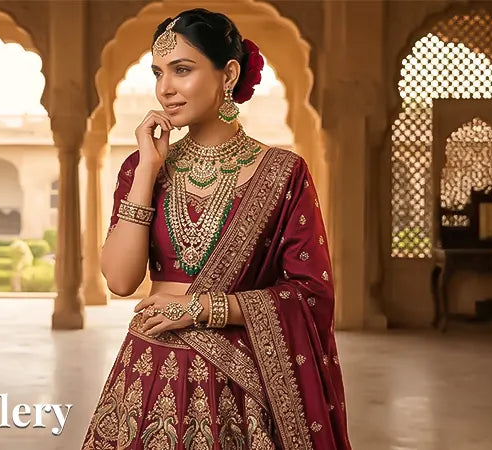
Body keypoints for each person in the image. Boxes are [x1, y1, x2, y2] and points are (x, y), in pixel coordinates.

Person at [81, 8, 351, 449]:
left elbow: (310, 294)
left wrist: (201, 309)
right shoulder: (142, 169)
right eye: (158, 72)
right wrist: (149, 169)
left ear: (228, 74)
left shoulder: (283, 173)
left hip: (239, 392)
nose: (165, 88)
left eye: (182, 70)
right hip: (146, 378)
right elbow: (120, 281)